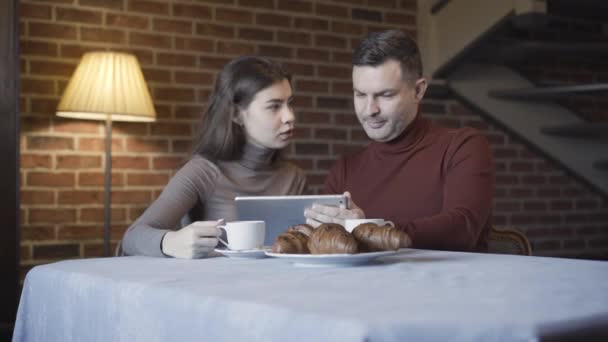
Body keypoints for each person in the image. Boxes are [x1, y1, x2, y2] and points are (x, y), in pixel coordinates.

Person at [304, 30, 495, 252]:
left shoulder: (463, 147)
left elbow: (463, 229)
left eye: (385, 95)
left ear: (418, 90)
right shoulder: (344, 170)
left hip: (450, 285)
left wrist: (367, 229)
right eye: (360, 95)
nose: (370, 110)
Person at [122, 56, 306, 258]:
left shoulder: (294, 177)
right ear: (237, 114)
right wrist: (172, 241)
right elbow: (131, 238)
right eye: (274, 106)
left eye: (290, 103)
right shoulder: (203, 171)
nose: (290, 116)